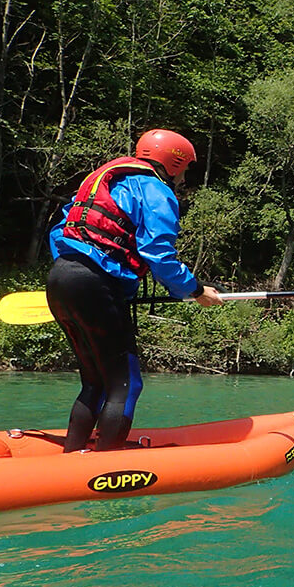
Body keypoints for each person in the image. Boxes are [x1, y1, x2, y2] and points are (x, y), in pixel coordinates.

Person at [46, 129, 224, 452]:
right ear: (173, 164)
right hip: (94, 286)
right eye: (183, 169)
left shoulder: (100, 180)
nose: (183, 178)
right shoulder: (156, 190)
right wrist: (197, 290)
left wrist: (85, 276)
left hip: (59, 279)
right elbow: (160, 257)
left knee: (95, 382)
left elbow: (60, 231)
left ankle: (71, 458)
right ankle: (106, 464)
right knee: (126, 385)